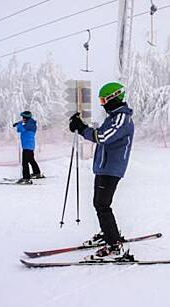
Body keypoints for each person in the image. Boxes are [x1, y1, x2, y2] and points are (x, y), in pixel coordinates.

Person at [68, 82, 134, 259]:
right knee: (100, 204)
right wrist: (81, 126)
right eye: (100, 100)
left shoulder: (122, 118)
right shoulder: (113, 117)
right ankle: (108, 234)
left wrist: (82, 129)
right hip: (104, 167)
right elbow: (100, 133)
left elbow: (103, 137)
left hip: (112, 168)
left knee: (102, 205)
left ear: (114, 97)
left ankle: (114, 244)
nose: (102, 103)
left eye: (104, 99)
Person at [13, 111, 44, 184]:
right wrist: (19, 124)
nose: (22, 119)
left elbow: (21, 130)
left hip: (27, 146)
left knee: (25, 162)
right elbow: (20, 129)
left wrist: (19, 124)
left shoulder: (30, 124)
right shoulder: (30, 123)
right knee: (31, 160)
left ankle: (26, 178)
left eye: (23, 117)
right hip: (29, 146)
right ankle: (37, 173)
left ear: (26, 117)